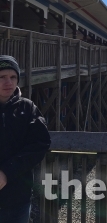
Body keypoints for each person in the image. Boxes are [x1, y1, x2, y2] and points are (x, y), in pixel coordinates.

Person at [0, 55, 50, 223]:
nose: (8, 82)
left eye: (13, 77)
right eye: (2, 77)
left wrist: (6, 172)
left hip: (18, 198)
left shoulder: (28, 108)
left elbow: (40, 144)